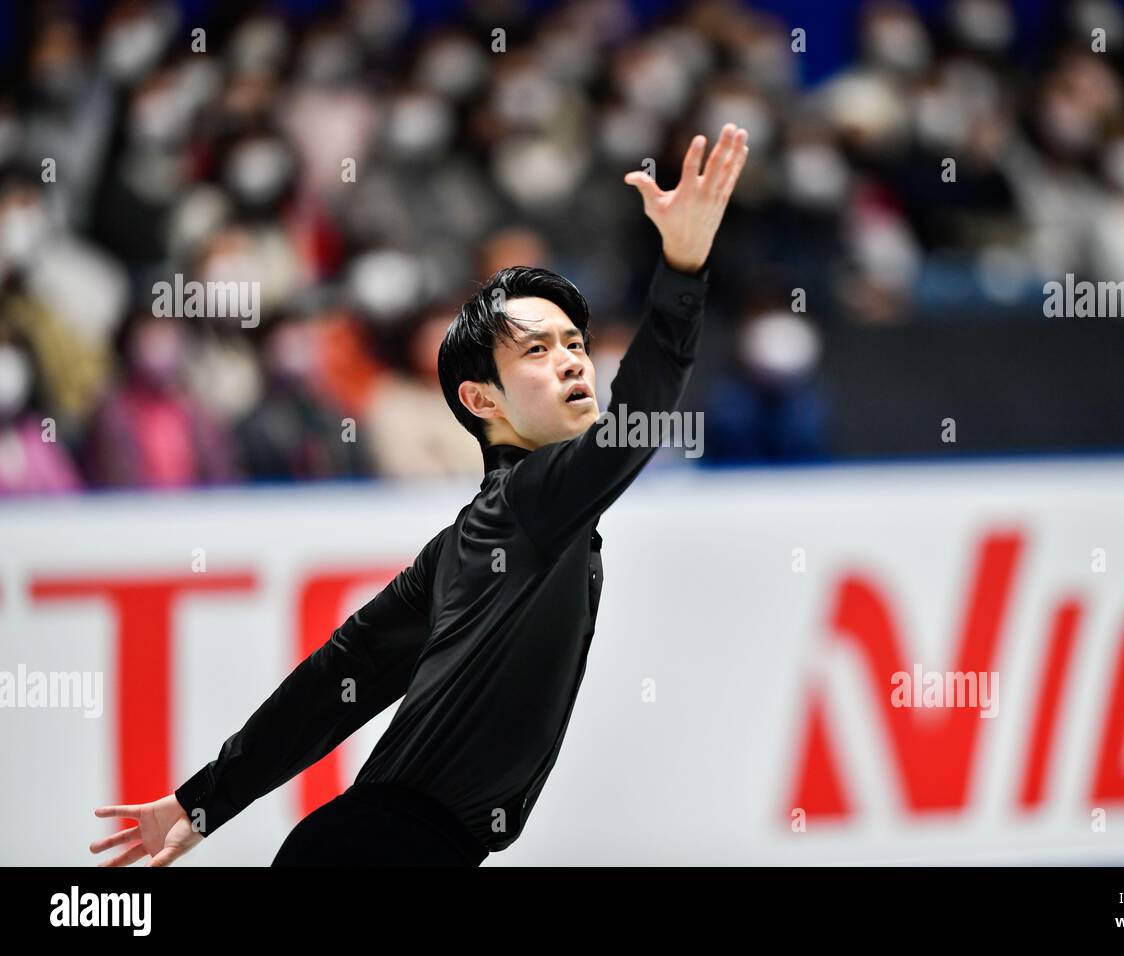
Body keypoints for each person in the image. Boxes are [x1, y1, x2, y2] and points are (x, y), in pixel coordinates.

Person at [90, 123, 749, 866]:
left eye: (574, 344)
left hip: (373, 848)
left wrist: (206, 798)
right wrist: (683, 267)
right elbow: (638, 423)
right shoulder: (533, 504)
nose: (573, 362)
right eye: (537, 350)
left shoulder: (467, 545)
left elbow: (340, 676)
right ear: (481, 399)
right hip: (384, 851)